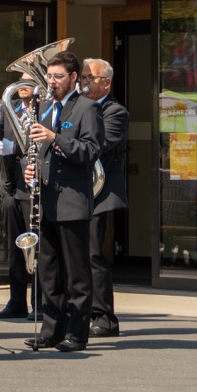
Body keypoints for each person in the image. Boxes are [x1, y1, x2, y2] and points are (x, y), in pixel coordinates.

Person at [24, 51, 102, 352]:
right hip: (46, 200)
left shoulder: (87, 108)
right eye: (49, 76)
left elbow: (90, 151)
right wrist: (28, 168)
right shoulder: (44, 108)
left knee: (77, 273)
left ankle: (77, 333)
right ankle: (51, 330)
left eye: (58, 76)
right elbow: (33, 150)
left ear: (73, 78)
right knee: (49, 270)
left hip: (72, 201)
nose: (52, 82)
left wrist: (55, 138)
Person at [82, 58, 128, 338]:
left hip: (100, 192)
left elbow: (99, 144)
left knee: (93, 254)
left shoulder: (115, 111)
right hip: (77, 190)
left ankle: (104, 318)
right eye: (83, 78)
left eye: (90, 78)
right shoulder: (77, 107)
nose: (84, 82)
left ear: (106, 83)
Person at [0, 74, 36, 319]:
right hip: (10, 187)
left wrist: (14, 148)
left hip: (32, 188)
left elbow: (40, 147)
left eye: (29, 80)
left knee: (35, 247)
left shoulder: (44, 109)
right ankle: (17, 301)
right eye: (20, 80)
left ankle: (40, 302)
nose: (22, 86)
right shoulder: (9, 107)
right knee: (15, 247)